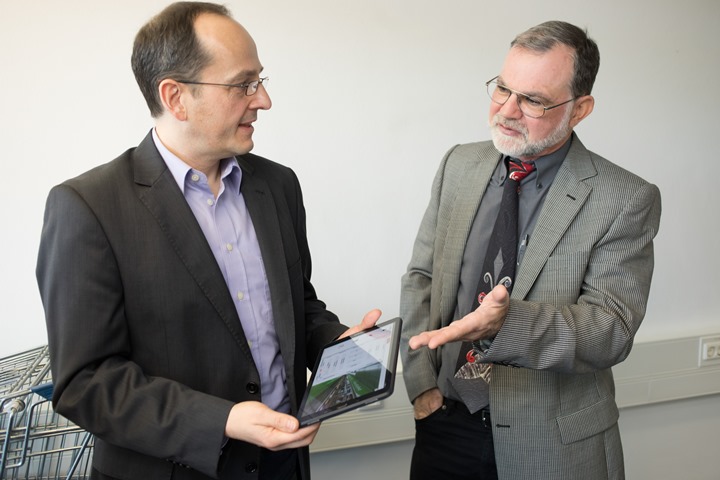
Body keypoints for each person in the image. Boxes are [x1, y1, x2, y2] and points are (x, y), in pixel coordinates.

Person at [35, 2, 380, 479]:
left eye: (260, 80)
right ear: (176, 97)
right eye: (243, 84)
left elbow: (296, 306)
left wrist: (343, 346)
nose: (263, 100)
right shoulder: (87, 207)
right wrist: (224, 420)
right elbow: (87, 383)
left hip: (286, 463)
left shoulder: (278, 185)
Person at [400, 20, 661, 480]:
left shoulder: (625, 199)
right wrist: (421, 384)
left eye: (533, 100)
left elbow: (612, 329)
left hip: (554, 445)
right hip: (446, 426)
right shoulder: (459, 164)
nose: (507, 110)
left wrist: (509, 322)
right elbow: (422, 278)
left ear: (580, 109)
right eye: (502, 89)